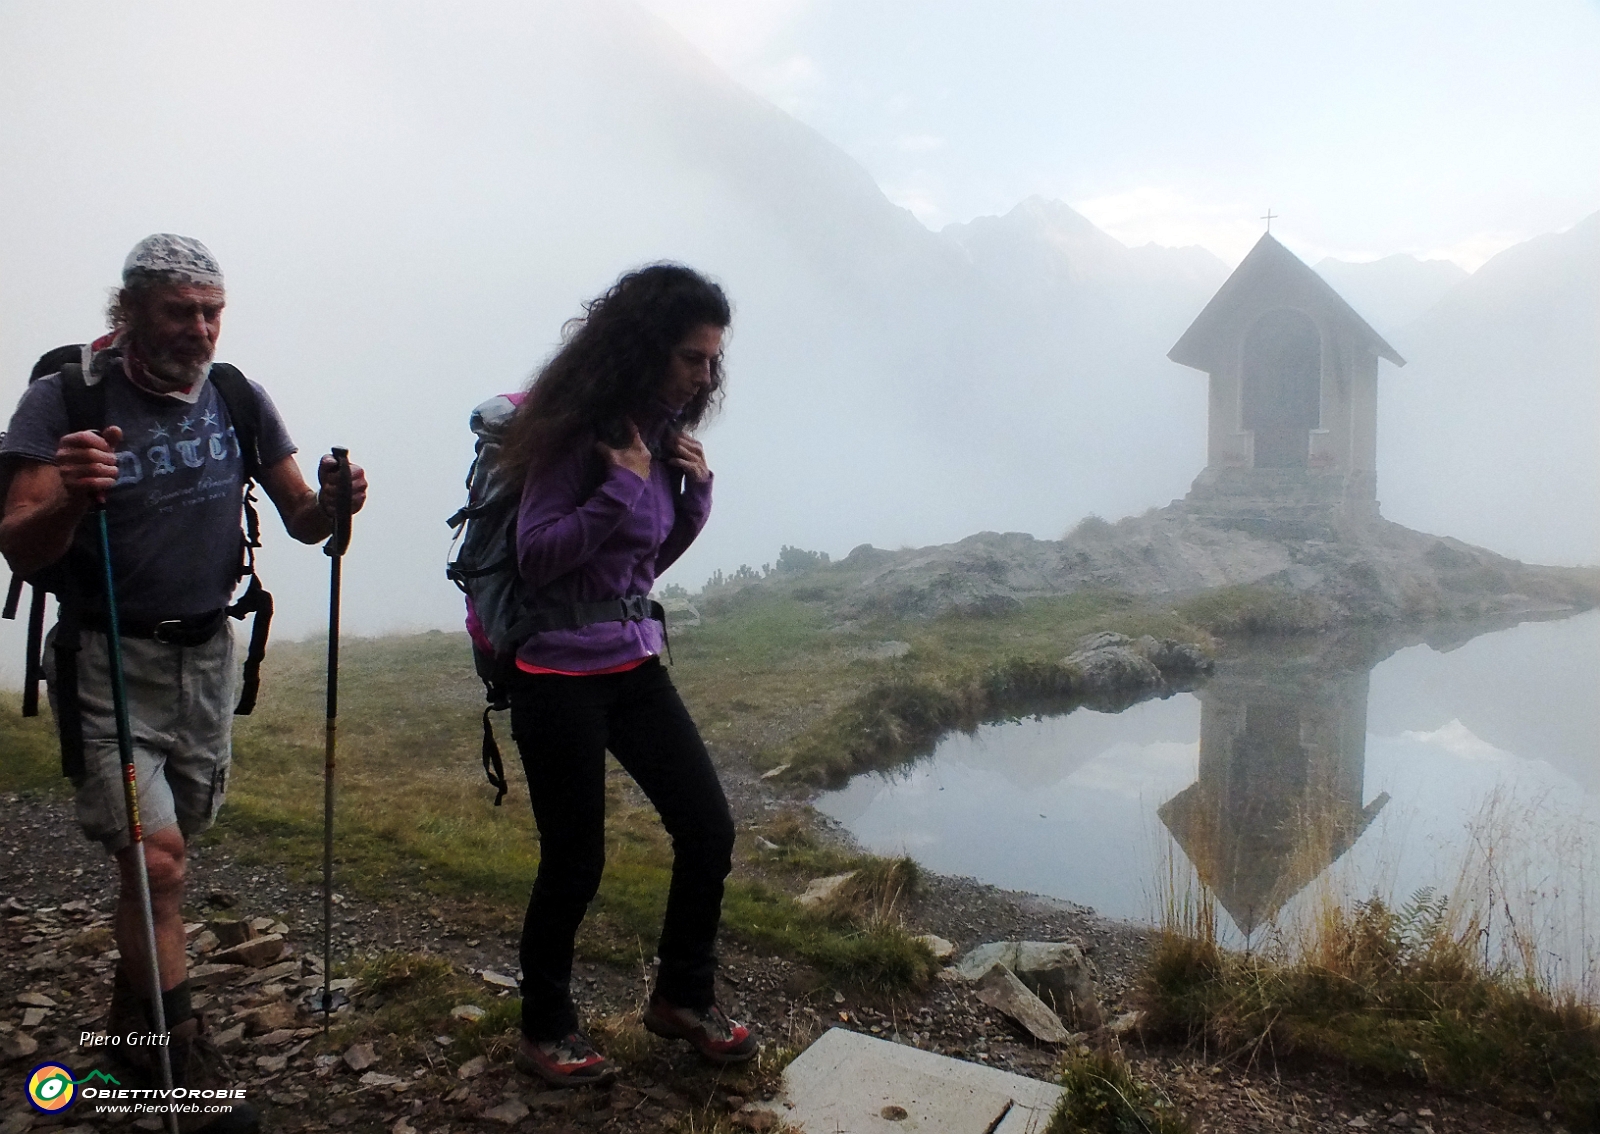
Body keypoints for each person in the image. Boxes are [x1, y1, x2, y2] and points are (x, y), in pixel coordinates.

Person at [0, 234, 368, 1131]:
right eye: (180, 311)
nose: (199, 330)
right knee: (157, 860)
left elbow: (302, 520)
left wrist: (337, 500)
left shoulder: (237, 396)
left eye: (212, 312)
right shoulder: (67, 399)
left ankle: (134, 1023)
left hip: (206, 659)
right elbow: (17, 538)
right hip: (108, 664)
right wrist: (72, 496)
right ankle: (179, 1058)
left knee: (171, 848)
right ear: (128, 311)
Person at [494, 264, 753, 1086]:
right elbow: (537, 557)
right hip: (554, 672)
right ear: (645, 351)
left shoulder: (653, 436)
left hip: (633, 662)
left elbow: (641, 561)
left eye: (712, 360)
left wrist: (694, 493)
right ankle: (545, 1029)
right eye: (690, 358)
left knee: (708, 828)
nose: (704, 375)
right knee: (575, 861)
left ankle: (681, 998)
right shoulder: (584, 436)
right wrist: (621, 487)